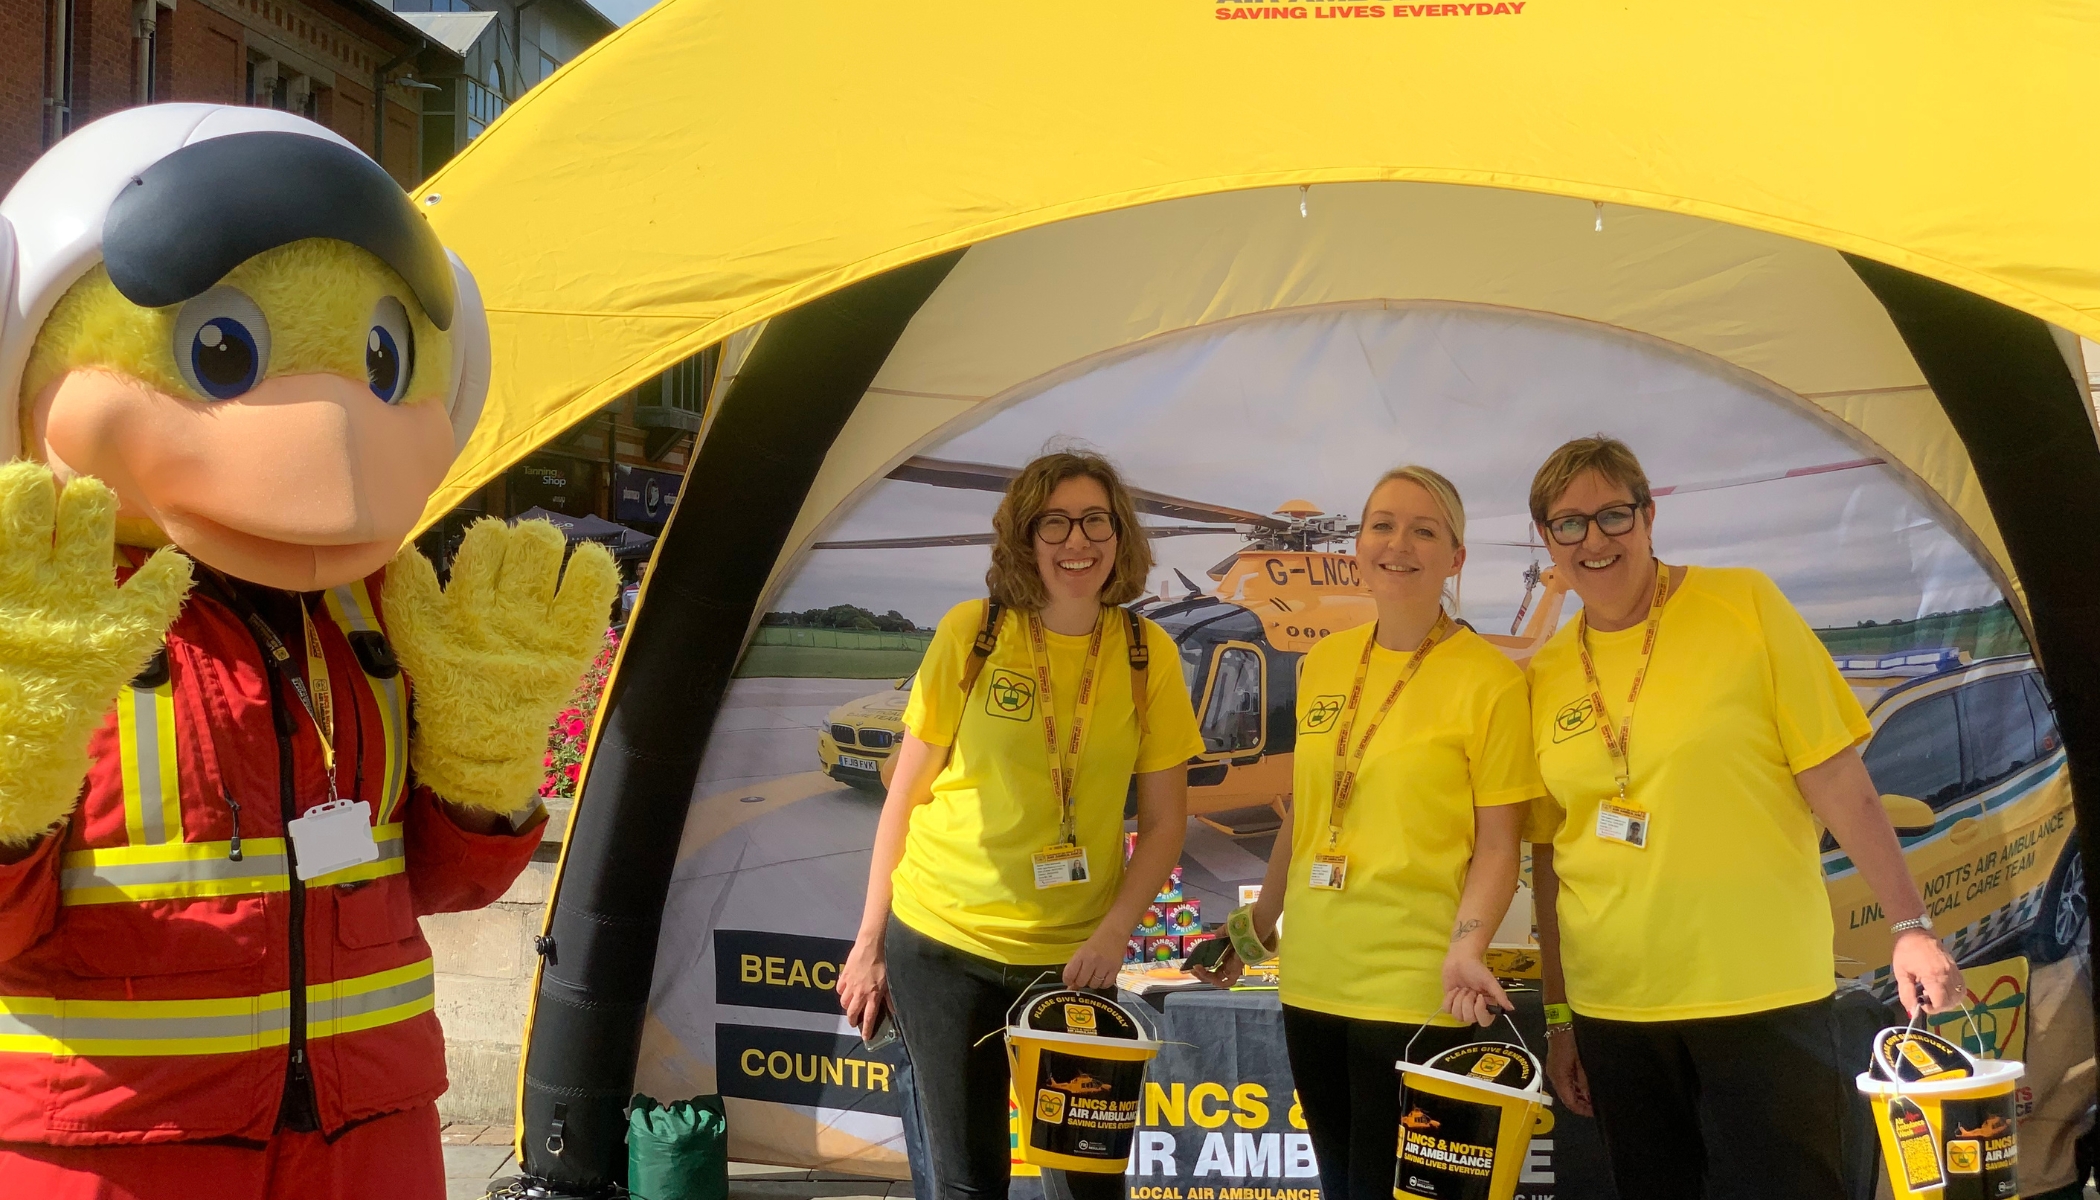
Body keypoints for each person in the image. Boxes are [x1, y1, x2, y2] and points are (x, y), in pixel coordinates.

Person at [0, 105, 618, 1197]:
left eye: (381, 363)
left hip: (367, 1126)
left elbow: (437, 885)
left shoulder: (381, 610)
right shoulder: (33, 605)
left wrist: (483, 769)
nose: (331, 435)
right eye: (225, 354)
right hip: (115, 1142)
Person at [1523, 436, 1964, 1200]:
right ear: (1548, 541)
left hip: (1761, 992)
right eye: (1569, 524)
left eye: (1613, 516)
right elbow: (1551, 858)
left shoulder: (1745, 605)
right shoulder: (1549, 671)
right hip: (1615, 1005)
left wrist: (1909, 926)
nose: (1593, 540)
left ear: (1649, 515)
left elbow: (1837, 778)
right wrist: (1560, 1018)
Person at [836, 450, 1204, 1200]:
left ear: (1120, 534)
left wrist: (1112, 936)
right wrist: (871, 940)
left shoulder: (1147, 654)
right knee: (967, 1184)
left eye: (1095, 520)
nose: (1078, 541)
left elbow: (1165, 824)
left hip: (1071, 961)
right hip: (941, 944)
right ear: (1025, 538)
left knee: (1086, 1186)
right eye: (1055, 522)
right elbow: (904, 796)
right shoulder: (972, 635)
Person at [1191, 466, 1542, 1200]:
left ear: (1456, 558)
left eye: (1424, 529)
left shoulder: (1490, 682)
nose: (1398, 544)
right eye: (1382, 524)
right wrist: (1256, 927)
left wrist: (1467, 945)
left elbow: (1500, 844)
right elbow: (1307, 812)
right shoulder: (1324, 665)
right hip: (1314, 981)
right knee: (1344, 1185)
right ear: (1358, 545)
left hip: (1418, 989)